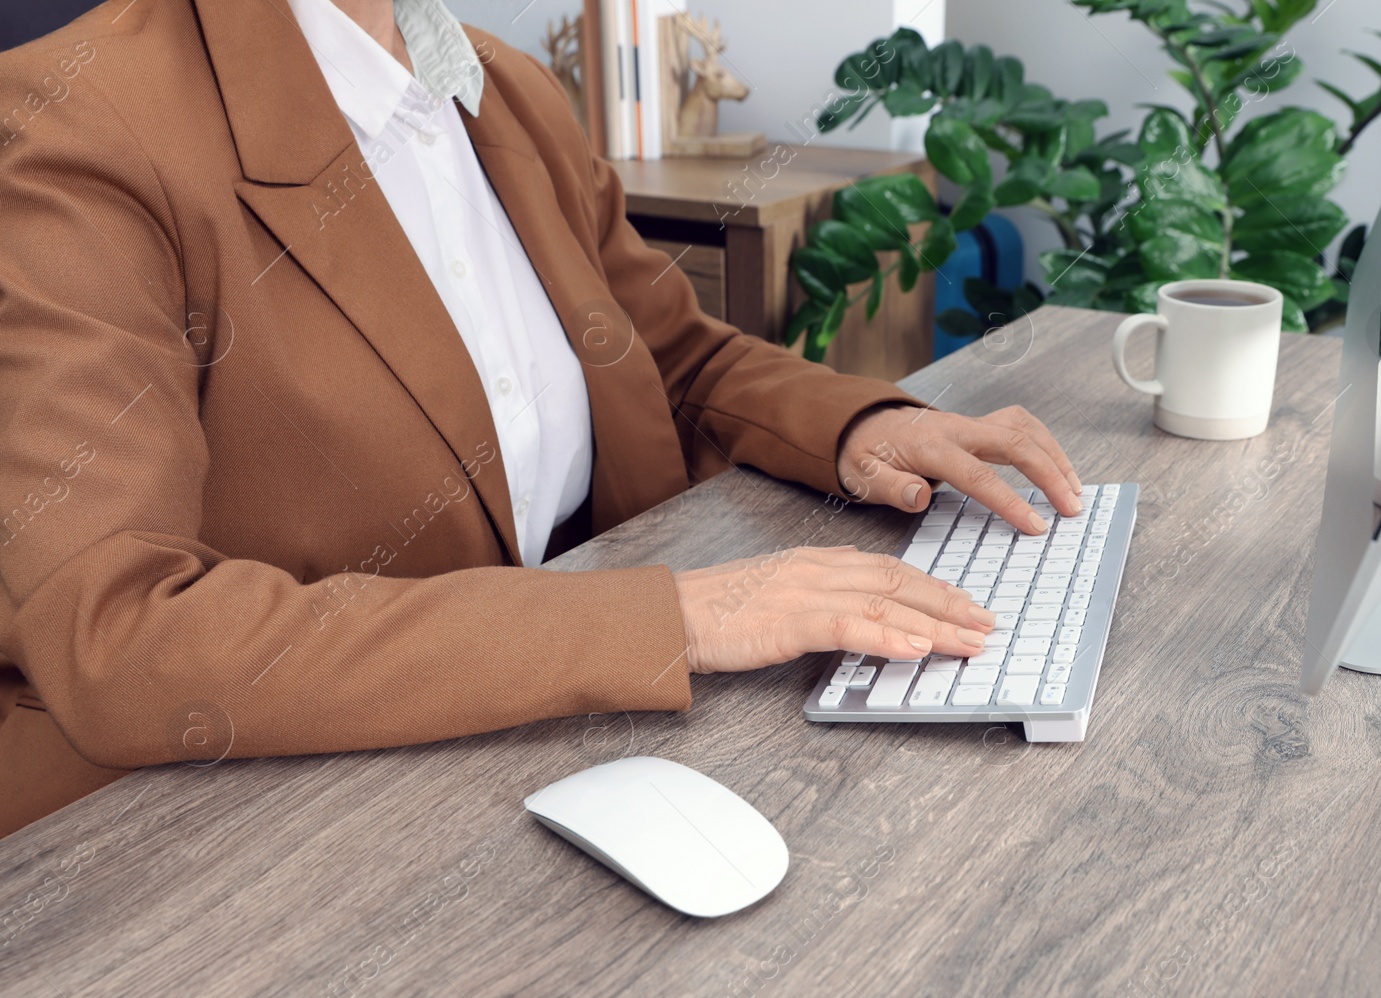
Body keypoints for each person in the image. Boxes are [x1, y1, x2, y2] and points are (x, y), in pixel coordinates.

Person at [0, 0, 1082, 837]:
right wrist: (676, 618)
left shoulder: (497, 86)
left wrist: (857, 428)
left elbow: (665, 349)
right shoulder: (75, 128)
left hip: (528, 752)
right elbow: (121, 635)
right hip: (211, 829)